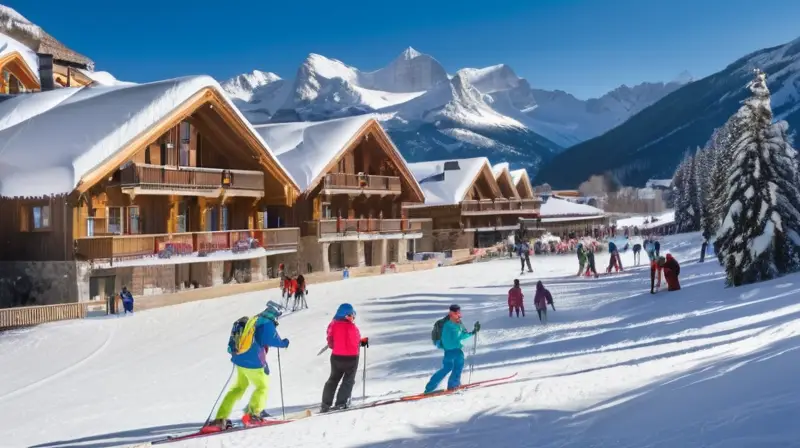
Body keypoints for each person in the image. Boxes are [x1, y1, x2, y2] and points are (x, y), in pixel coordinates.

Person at [206, 303, 290, 431]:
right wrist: (284, 343)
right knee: (262, 387)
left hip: (239, 360)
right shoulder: (266, 324)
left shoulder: (253, 320)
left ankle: (220, 418)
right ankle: (252, 415)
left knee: (238, 388)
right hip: (253, 363)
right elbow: (273, 340)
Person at [321, 303, 368, 413]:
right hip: (351, 358)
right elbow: (357, 340)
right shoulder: (353, 327)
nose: (353, 318)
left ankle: (325, 404)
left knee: (333, 379)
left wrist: (335, 346)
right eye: (352, 315)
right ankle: (341, 403)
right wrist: (362, 342)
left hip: (337, 357)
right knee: (348, 380)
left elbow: (330, 340)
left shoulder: (333, 325)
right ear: (347, 315)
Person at [425, 304, 480, 394]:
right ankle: (453, 385)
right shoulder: (450, 325)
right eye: (456, 313)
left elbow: (462, 334)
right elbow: (459, 336)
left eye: (459, 312)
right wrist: (471, 333)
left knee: (447, 368)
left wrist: (473, 332)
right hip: (455, 350)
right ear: (451, 313)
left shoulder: (453, 323)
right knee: (458, 365)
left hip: (448, 351)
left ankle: (430, 387)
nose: (459, 315)